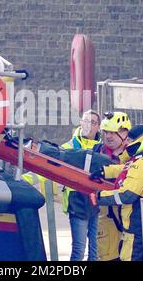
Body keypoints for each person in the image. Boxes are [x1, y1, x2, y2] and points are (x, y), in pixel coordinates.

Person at [92, 124, 143, 261]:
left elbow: (127, 194)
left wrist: (100, 196)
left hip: (139, 221)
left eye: (130, 140)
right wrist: (106, 171)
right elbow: (127, 168)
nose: (127, 144)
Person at [60, 109, 101, 261]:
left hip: (98, 202)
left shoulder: (102, 148)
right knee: (79, 248)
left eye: (93, 122)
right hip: (77, 202)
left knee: (95, 249)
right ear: (80, 123)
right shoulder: (70, 146)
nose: (88, 125)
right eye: (85, 121)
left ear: (98, 127)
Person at [91, 111, 131, 261]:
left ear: (125, 132)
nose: (108, 136)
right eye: (106, 132)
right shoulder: (97, 152)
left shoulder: (136, 153)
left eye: (113, 132)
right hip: (105, 215)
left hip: (129, 215)